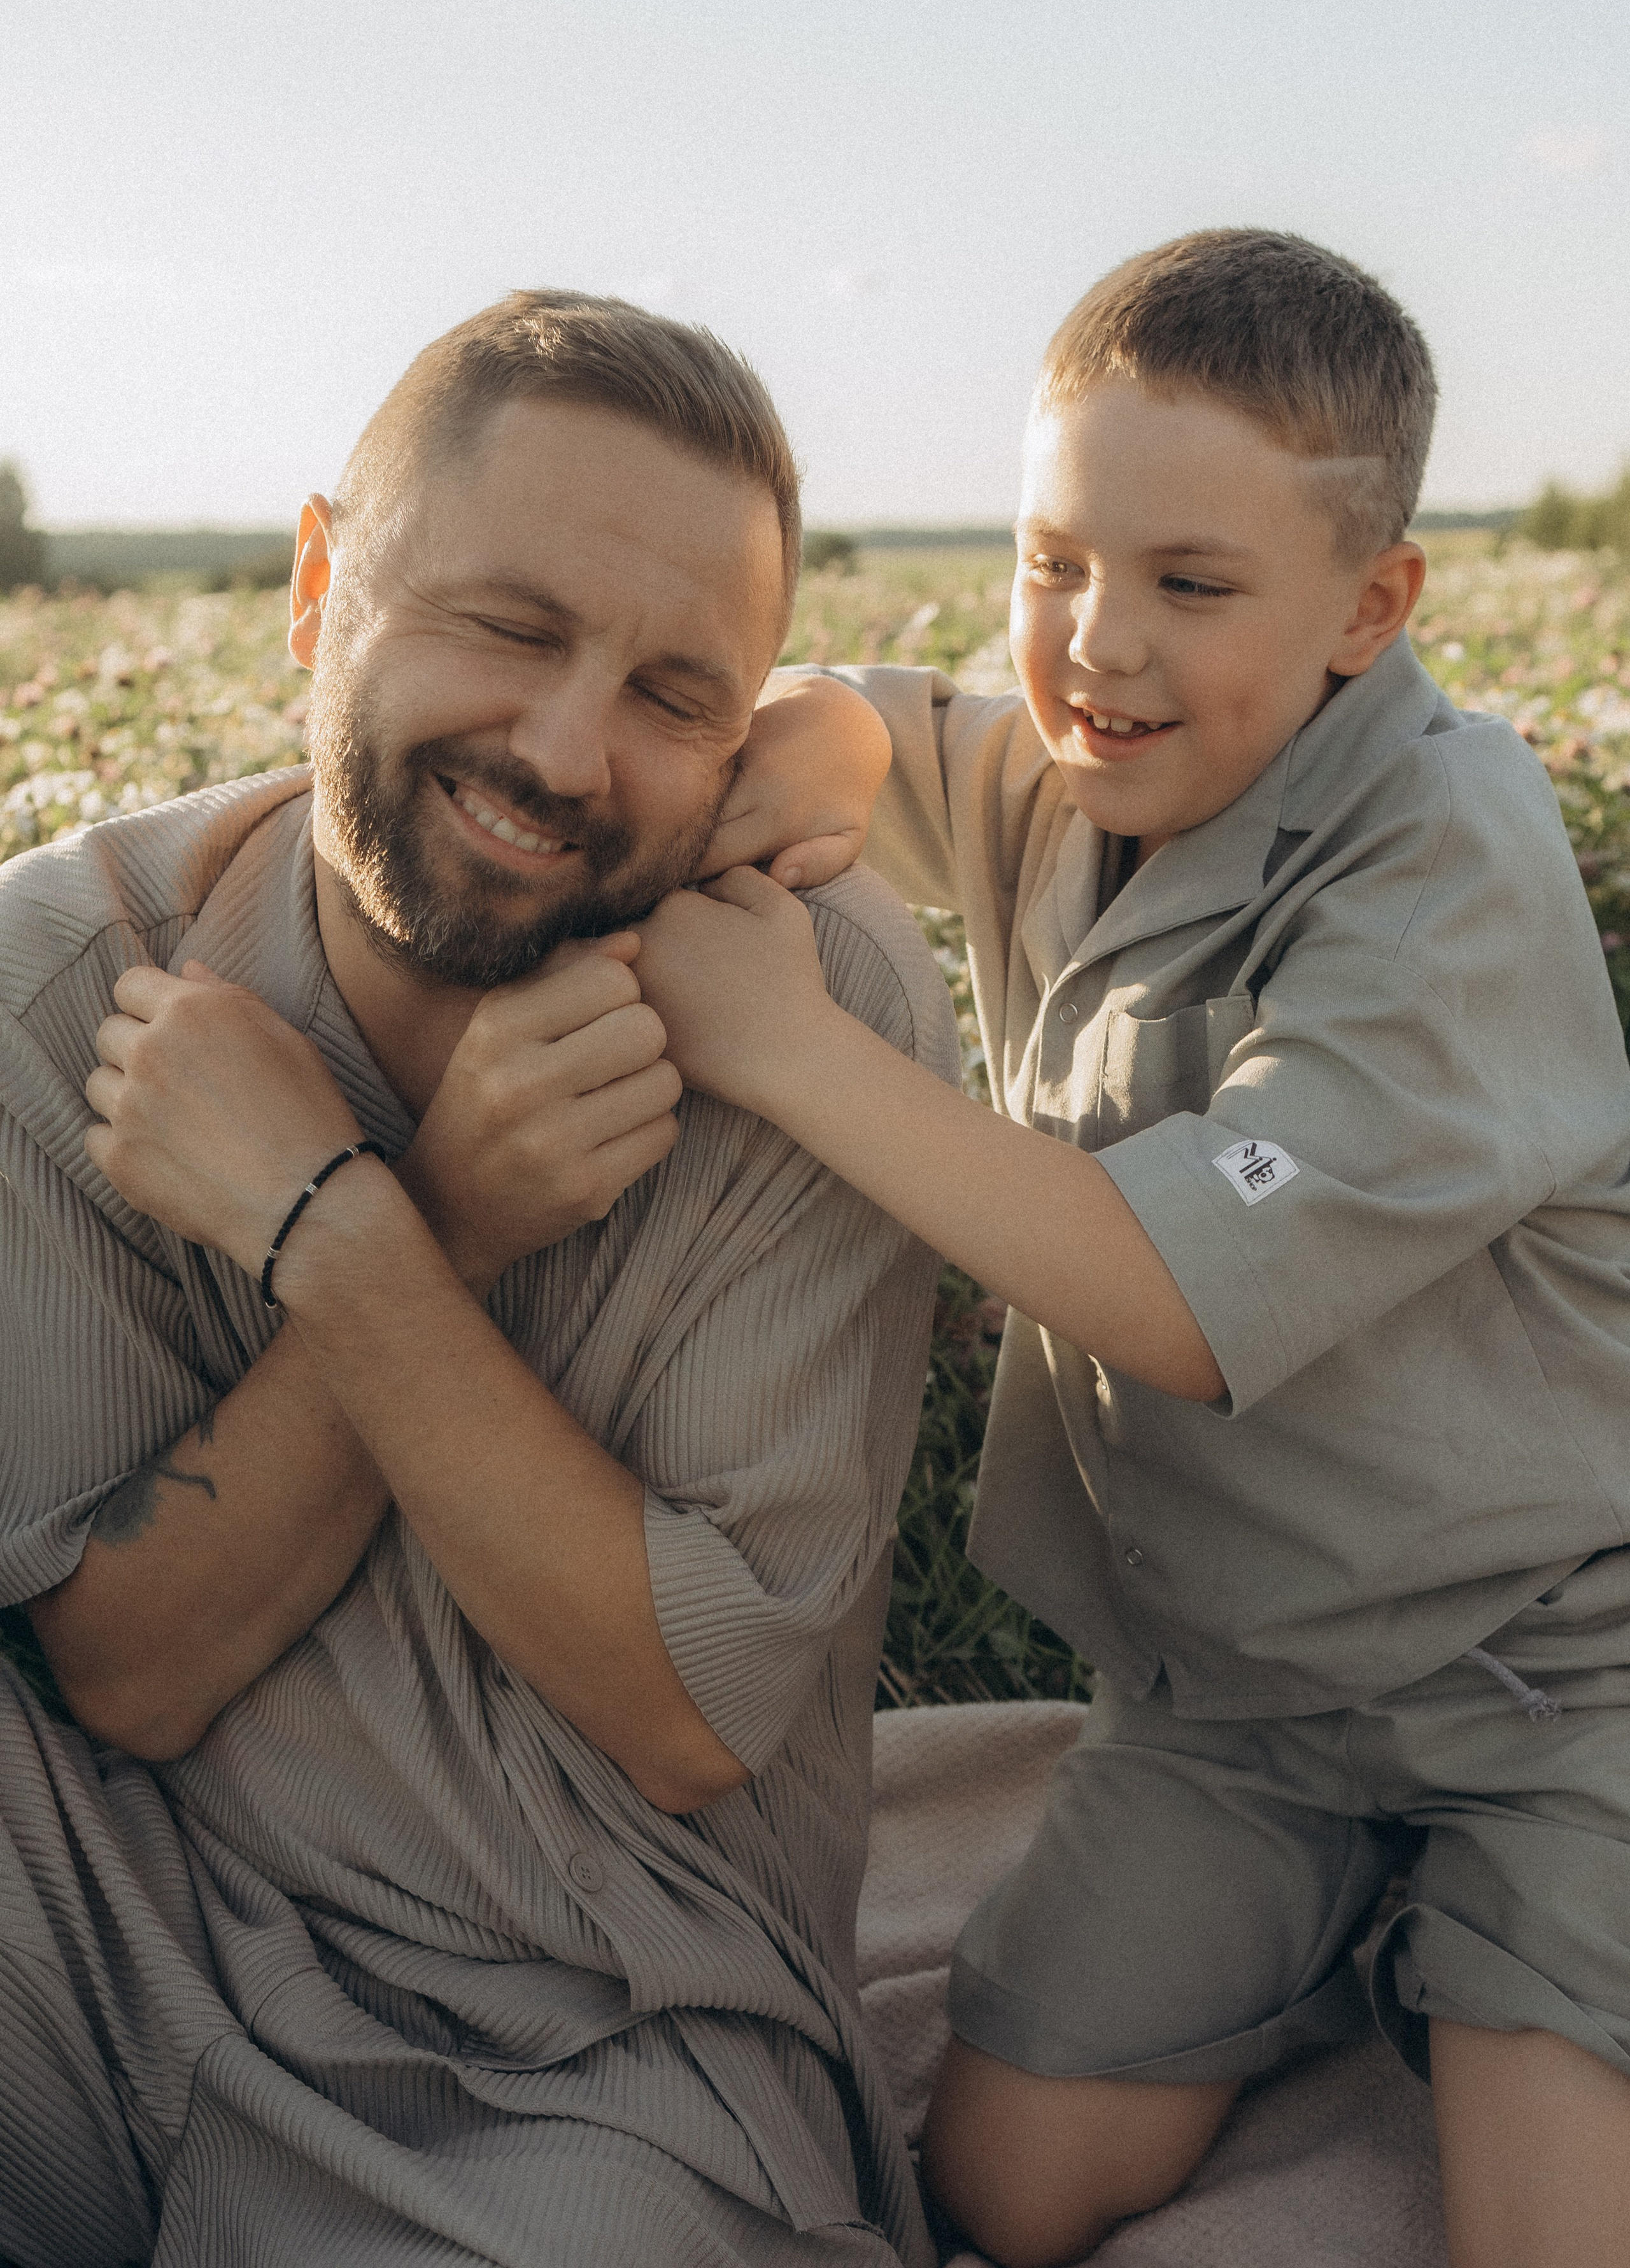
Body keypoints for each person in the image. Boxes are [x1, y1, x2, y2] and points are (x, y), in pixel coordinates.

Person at [634, 230, 1630, 2268]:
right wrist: (819, 733)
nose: (1096, 644)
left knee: (1550, 2234)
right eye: (1052, 559)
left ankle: (1490, 1946)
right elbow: (888, 731)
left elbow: (1170, 1297)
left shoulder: (1448, 863)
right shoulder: (1079, 770)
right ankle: (1368, 1943)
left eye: (1191, 585)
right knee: (1006, 2185)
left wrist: (795, 1050)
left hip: (1554, 1679)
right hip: (1234, 1694)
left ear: (1373, 608)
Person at [0, 290, 959, 2268]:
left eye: (679, 695)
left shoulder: (815, 1010)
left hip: (596, 2039)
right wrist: (446, 1207)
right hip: (106, 1939)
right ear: (316, 583)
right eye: (509, 628)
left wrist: (360, 1230)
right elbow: (122, 1673)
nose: (562, 747)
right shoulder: (58, 992)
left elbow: (686, 1715)